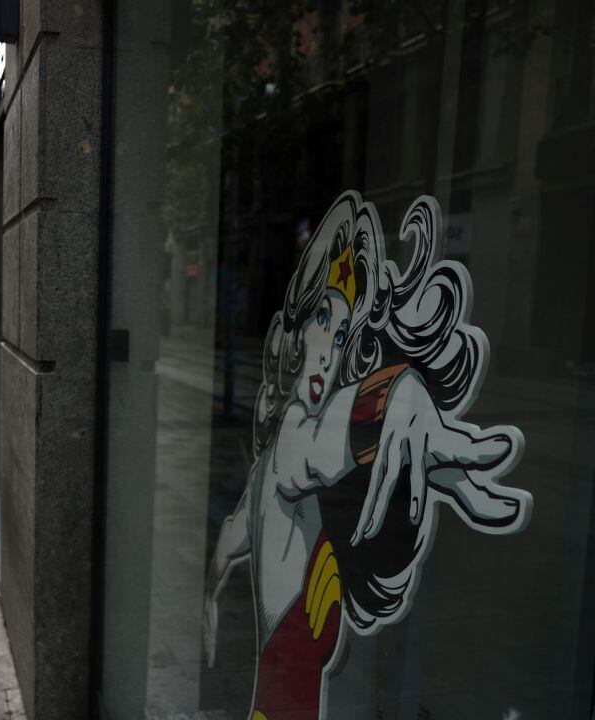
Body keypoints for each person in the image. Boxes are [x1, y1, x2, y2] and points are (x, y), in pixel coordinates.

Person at [203, 192, 532, 719]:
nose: (330, 350)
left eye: (343, 335)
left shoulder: (274, 471)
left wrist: (211, 598)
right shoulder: (290, 442)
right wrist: (393, 395)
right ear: (295, 330)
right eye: (322, 321)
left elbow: (233, 533)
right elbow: (318, 446)